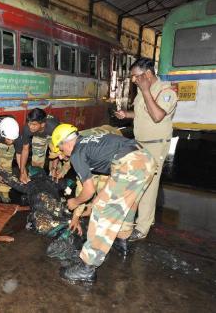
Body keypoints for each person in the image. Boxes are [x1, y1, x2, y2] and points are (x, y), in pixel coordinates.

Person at [51, 124, 156, 282]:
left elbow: (88, 190)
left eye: (59, 149)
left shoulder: (77, 152)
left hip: (129, 164)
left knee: (102, 212)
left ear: (66, 142)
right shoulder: (88, 141)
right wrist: (100, 196)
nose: (60, 155)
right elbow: (111, 168)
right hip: (144, 159)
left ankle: (86, 267)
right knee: (126, 205)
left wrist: (75, 201)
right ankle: (122, 241)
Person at [115, 57, 178, 241]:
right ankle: (138, 220)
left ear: (148, 74)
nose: (134, 80)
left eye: (136, 76)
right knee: (136, 183)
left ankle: (142, 228)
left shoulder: (167, 91)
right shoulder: (143, 91)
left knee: (149, 186)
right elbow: (144, 112)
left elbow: (157, 115)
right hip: (140, 142)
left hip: (156, 144)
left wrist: (145, 91)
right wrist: (127, 114)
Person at [19, 108, 60, 184]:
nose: (30, 126)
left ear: (42, 124)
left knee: (55, 161)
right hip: (39, 135)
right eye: (29, 123)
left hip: (53, 135)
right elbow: (25, 149)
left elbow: (57, 150)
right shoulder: (27, 129)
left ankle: (52, 178)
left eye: (34, 124)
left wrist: (54, 168)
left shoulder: (53, 127)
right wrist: (22, 172)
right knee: (36, 161)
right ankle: (37, 180)